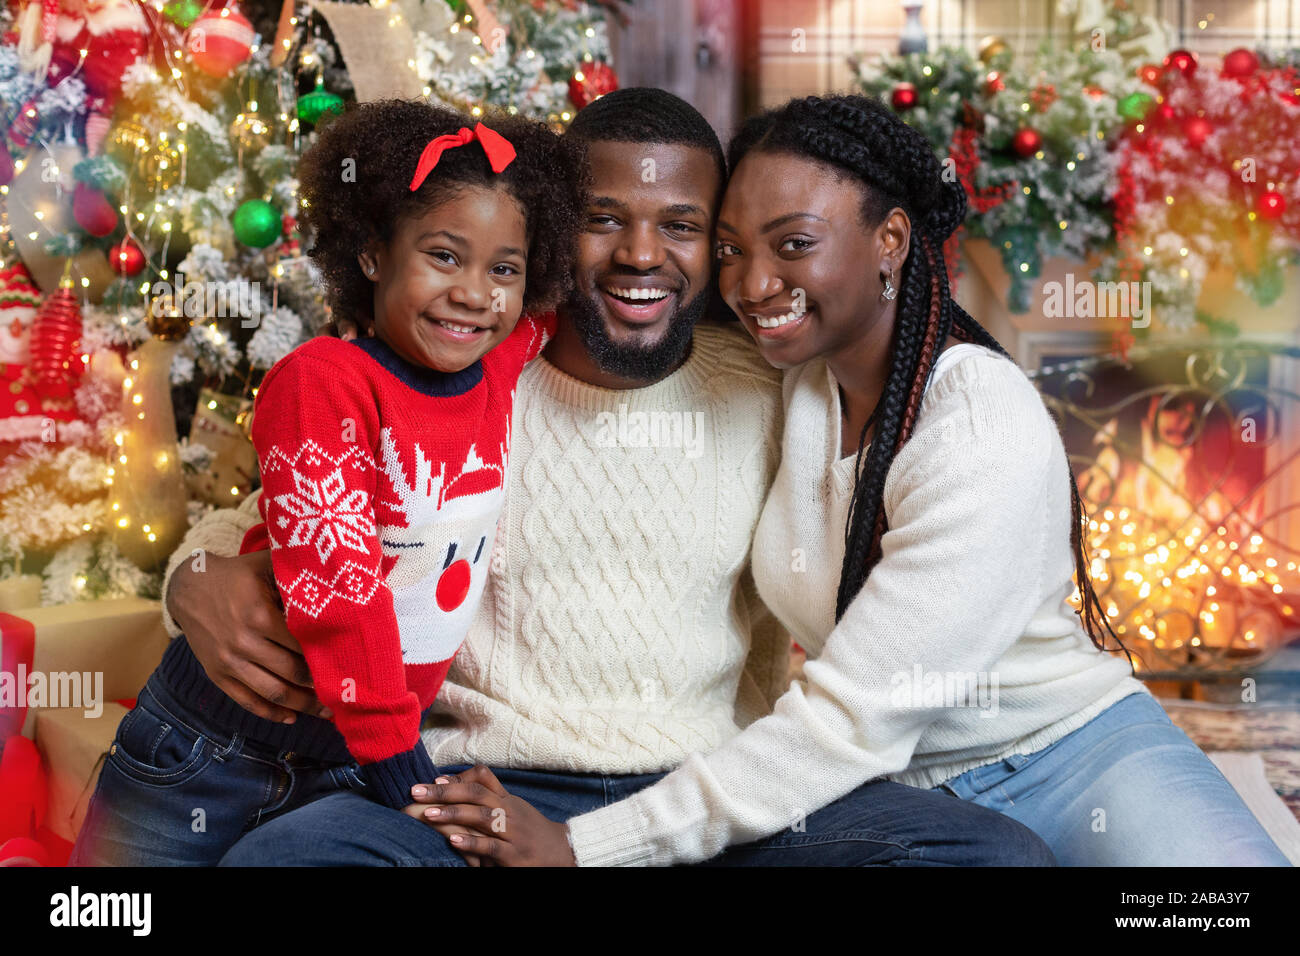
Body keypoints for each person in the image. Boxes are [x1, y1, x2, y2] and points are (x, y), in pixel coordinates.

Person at [169, 88, 1055, 867]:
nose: (641, 254)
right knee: (287, 859)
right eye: (602, 217)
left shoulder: (776, 385)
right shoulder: (468, 374)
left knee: (989, 855)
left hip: (704, 795)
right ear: (554, 230)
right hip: (484, 789)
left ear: (717, 250)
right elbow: (301, 500)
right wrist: (192, 576)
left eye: (681, 225)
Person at [412, 94, 1290, 867]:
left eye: (794, 244)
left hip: (1060, 754)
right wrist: (267, 571)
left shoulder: (976, 421)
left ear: (890, 242)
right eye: (729, 248)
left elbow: (849, 719)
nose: (754, 282)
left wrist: (586, 847)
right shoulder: (788, 380)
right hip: (878, 782)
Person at [69, 100, 584, 865]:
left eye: (503, 269)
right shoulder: (324, 382)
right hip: (212, 746)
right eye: (444, 256)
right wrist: (402, 771)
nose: (476, 293)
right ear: (373, 254)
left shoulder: (495, 368)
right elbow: (338, 588)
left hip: (341, 767)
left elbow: (575, 302)